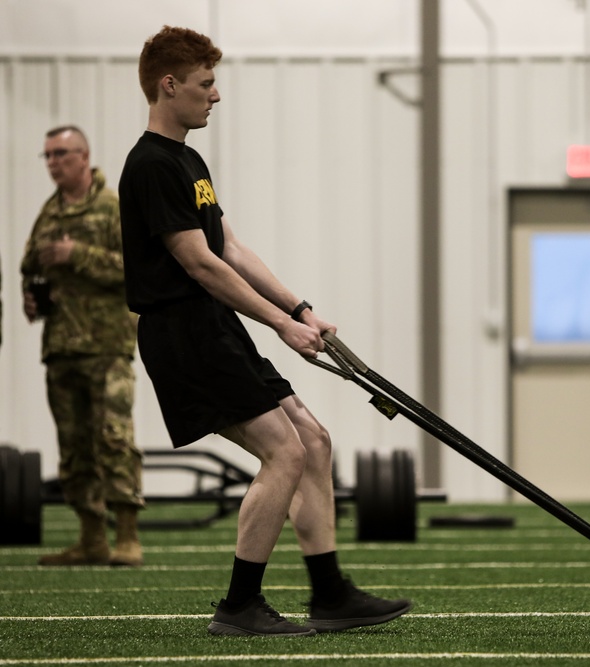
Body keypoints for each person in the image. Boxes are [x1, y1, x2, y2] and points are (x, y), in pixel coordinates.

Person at [118, 26, 411, 638]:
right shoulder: (149, 164)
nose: (215, 96)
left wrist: (299, 308)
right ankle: (239, 607)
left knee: (313, 439)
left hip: (212, 324)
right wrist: (279, 325)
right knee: (285, 451)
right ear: (169, 86)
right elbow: (197, 263)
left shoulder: (187, 159)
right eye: (205, 84)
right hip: (184, 331)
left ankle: (330, 594)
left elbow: (228, 246)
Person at [19, 125, 144, 567]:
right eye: (48, 155)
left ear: (84, 156)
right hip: (60, 346)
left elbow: (140, 269)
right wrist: (31, 296)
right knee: (73, 447)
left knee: (113, 438)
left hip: (108, 344)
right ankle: (91, 538)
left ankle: (126, 537)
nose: (54, 162)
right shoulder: (49, 213)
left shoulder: (112, 207)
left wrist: (79, 256)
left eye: (62, 154)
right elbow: (30, 264)